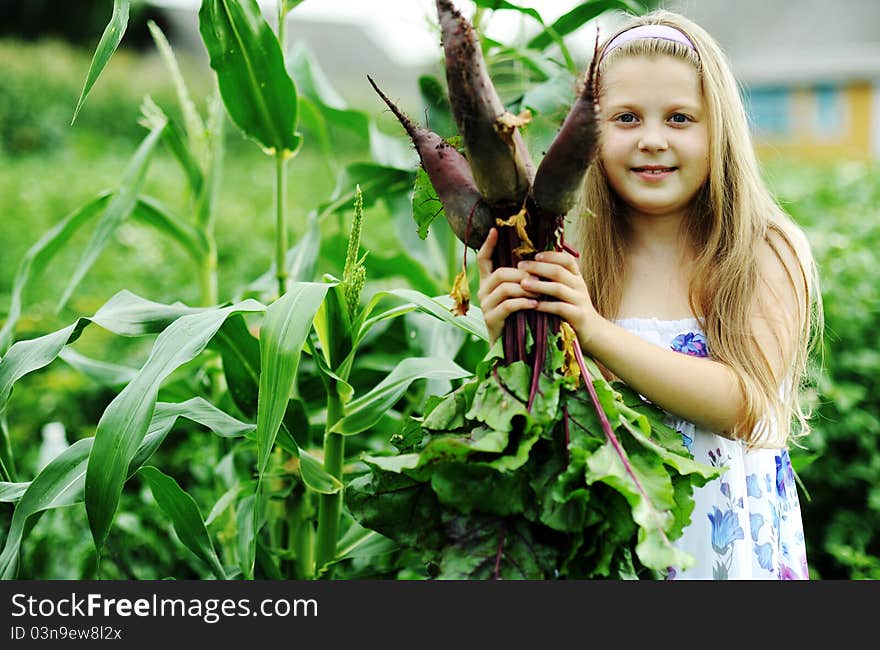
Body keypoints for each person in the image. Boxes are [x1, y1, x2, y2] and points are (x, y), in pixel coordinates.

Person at [476, 10, 824, 580]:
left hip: (727, 556)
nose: (653, 140)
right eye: (627, 118)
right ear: (590, 134)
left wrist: (594, 332)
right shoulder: (576, 255)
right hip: (611, 551)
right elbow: (554, 408)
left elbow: (748, 406)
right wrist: (510, 329)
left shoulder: (760, 251)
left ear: (720, 130)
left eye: (680, 118)